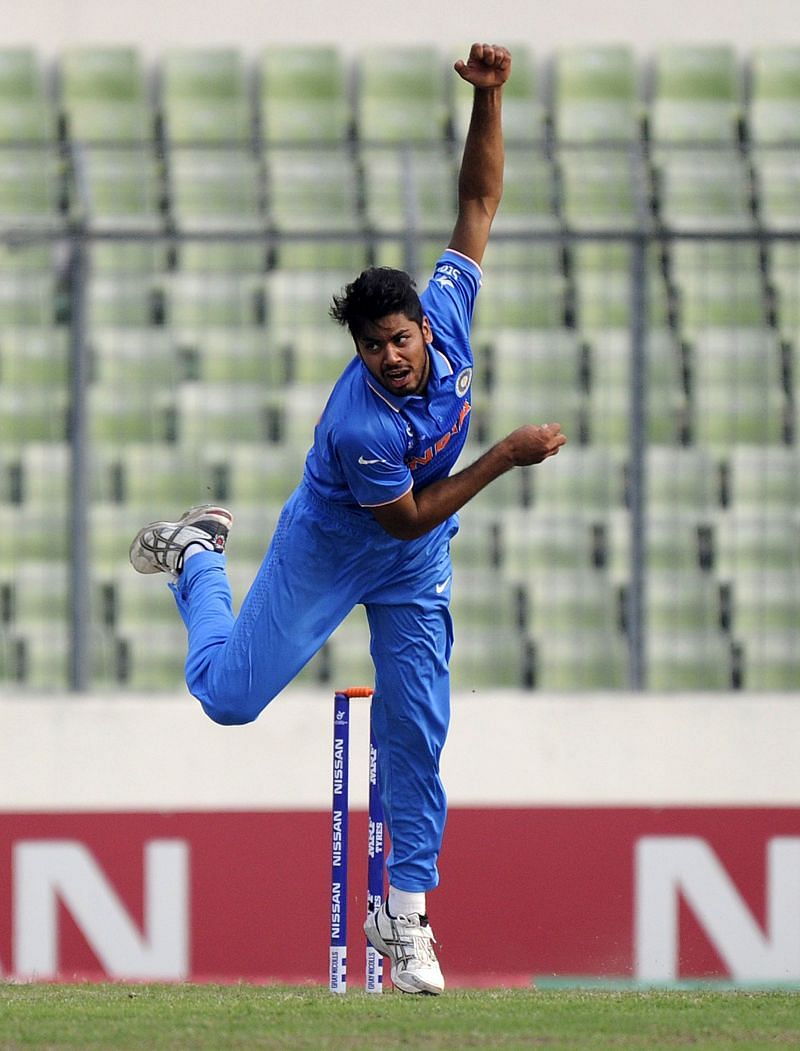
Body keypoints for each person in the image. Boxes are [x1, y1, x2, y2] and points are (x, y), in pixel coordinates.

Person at [130, 42, 566, 995]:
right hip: (337, 546)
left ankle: (404, 917)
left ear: (421, 323)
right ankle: (202, 561)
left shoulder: (446, 311)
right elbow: (405, 516)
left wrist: (489, 100)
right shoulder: (360, 422)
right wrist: (503, 454)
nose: (391, 358)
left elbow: (479, 206)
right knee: (229, 698)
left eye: (399, 340)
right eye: (372, 347)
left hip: (413, 564)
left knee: (417, 726)